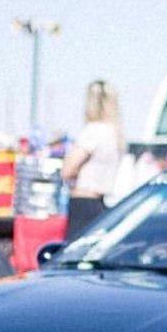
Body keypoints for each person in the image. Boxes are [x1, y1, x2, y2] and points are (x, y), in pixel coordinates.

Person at [61, 79, 125, 240]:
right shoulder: (115, 134)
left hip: (83, 202)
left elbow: (67, 170)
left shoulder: (93, 131)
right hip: (100, 202)